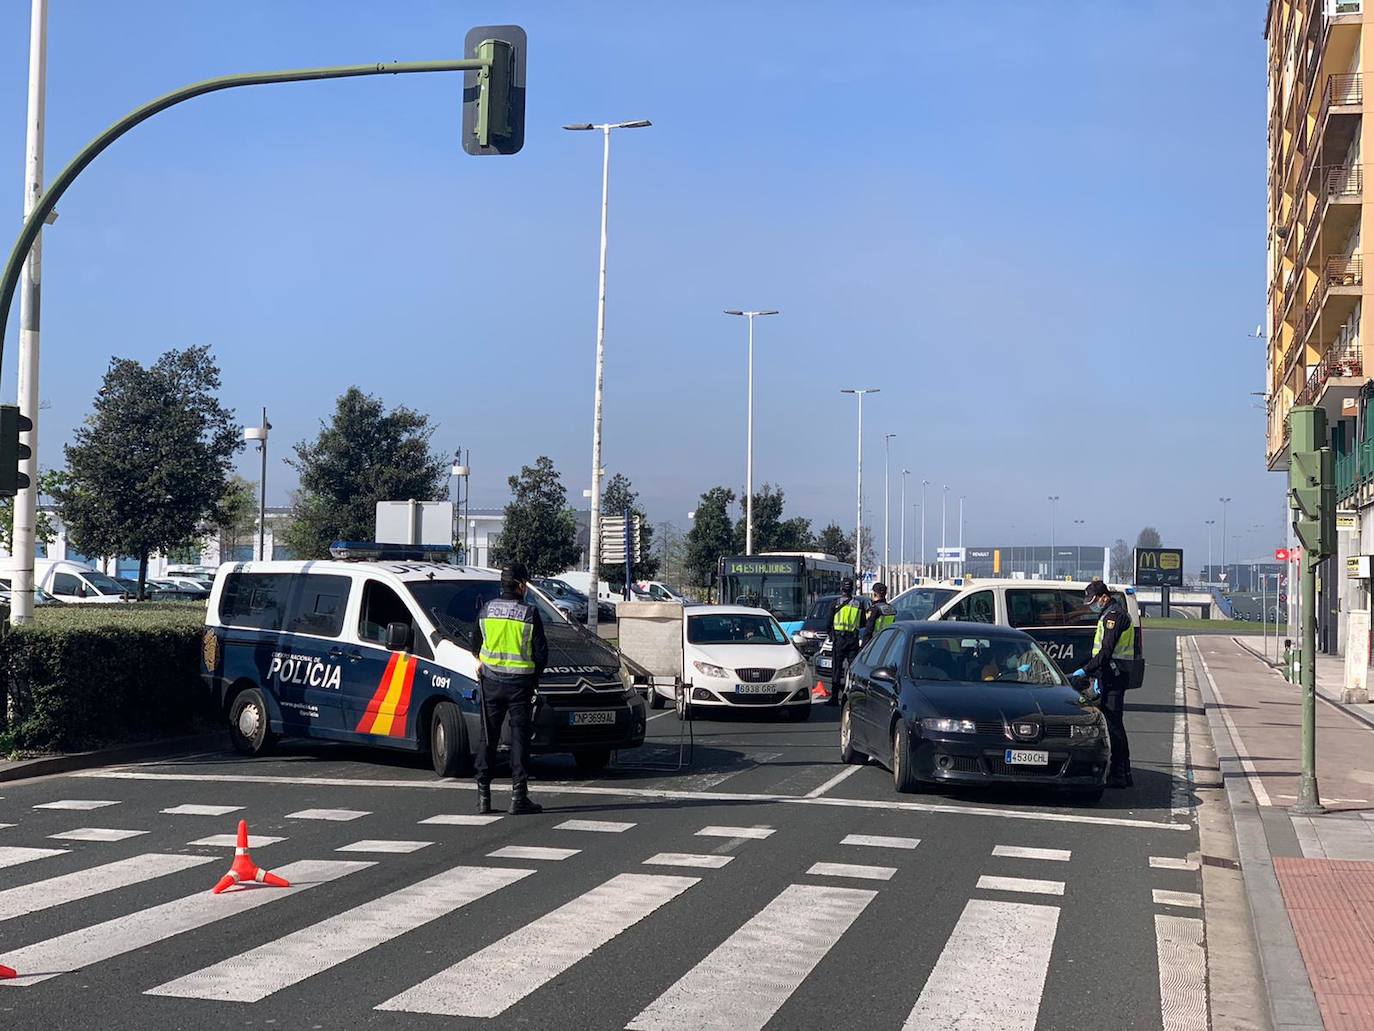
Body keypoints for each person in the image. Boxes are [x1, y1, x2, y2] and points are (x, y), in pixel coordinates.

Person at [472, 561, 548, 815]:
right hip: (519, 686)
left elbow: (475, 646)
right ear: (521, 586)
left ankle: (483, 795)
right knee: (519, 739)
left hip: (491, 683)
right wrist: (534, 678)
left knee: (488, 738)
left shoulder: (485, 610)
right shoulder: (529, 613)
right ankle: (519, 796)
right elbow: (541, 654)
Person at [1071, 579, 1135, 788]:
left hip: (1114, 676)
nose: (1091, 605)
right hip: (1108, 675)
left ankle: (1120, 773)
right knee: (1112, 723)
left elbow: (1106, 651)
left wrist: (1085, 670)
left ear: (1104, 597)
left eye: (1093, 601)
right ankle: (1123, 771)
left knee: (1114, 725)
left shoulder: (1114, 617)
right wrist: (1096, 675)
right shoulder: (1108, 613)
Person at [828, 578, 868, 706]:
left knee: (837, 669)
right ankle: (853, 696)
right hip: (853, 640)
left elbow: (828, 622)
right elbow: (862, 623)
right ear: (852, 589)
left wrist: (831, 636)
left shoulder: (835, 603)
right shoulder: (858, 604)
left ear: (841, 588)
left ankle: (834, 698)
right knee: (853, 669)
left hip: (839, 639)